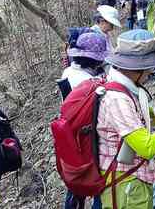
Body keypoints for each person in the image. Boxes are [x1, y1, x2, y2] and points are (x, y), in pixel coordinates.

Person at [97, 29, 155, 208]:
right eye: (149, 67)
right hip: (125, 183)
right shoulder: (117, 99)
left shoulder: (125, 86)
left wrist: (151, 114)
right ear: (137, 69)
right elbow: (147, 148)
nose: (151, 71)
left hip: (131, 178)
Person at [60, 32, 109, 209]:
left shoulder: (68, 72)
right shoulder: (92, 82)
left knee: (75, 182)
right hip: (92, 138)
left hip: (71, 135)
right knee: (99, 184)